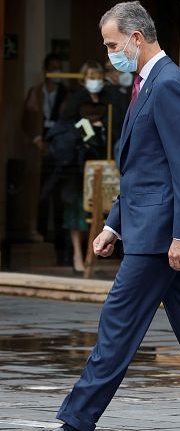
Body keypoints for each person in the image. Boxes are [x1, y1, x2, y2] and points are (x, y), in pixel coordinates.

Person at [26, 1, 180, 431]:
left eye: (113, 45)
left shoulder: (170, 84)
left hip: (160, 238)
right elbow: (142, 169)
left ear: (137, 38)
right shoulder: (145, 83)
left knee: (117, 324)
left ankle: (76, 425)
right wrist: (114, 225)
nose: (110, 54)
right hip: (147, 227)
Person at [55, 61, 126, 273]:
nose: (94, 81)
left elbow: (123, 122)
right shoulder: (76, 99)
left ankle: (112, 252)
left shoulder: (112, 96)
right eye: (91, 77)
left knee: (110, 205)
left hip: (107, 162)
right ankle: (78, 253)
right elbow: (64, 128)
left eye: (98, 77)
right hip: (80, 162)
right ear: (84, 78)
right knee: (77, 207)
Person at [23, 53, 68, 260]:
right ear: (45, 70)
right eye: (53, 67)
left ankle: (60, 242)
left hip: (58, 148)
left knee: (59, 195)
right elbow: (26, 120)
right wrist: (36, 139)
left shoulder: (66, 93)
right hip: (39, 148)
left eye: (60, 67)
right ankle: (38, 232)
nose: (56, 72)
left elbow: (68, 121)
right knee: (39, 194)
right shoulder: (35, 92)